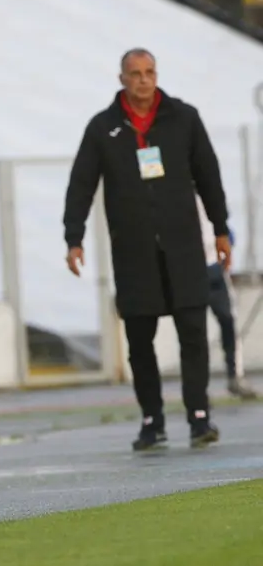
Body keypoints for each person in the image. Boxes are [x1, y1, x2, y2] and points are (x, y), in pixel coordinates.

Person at [62, 48, 231, 451]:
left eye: (149, 72)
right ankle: (152, 420)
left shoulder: (183, 118)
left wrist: (221, 228)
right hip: (134, 253)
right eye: (135, 73)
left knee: (193, 333)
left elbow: (208, 174)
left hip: (183, 248)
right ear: (121, 79)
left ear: (157, 75)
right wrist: (74, 237)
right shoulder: (103, 127)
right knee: (140, 340)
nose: (143, 80)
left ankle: (199, 417)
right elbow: (81, 184)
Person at [196, 194, 258, 400]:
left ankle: (235, 376)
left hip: (214, 269)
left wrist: (226, 245)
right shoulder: (176, 197)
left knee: (228, 322)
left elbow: (225, 230)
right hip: (190, 271)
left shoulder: (209, 198)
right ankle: (198, 387)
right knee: (194, 330)